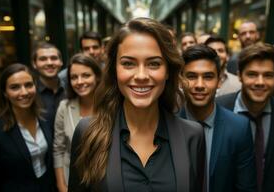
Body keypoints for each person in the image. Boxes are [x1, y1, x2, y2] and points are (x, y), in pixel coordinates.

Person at [68, 17, 205, 192]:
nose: (141, 75)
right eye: (128, 63)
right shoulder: (88, 132)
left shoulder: (193, 136)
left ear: (168, 71)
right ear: (114, 70)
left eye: (154, 63)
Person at [216, 43, 274, 192]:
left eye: (268, 75)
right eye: (252, 74)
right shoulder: (218, 109)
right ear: (239, 75)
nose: (260, 82)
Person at [179, 45, 256, 192]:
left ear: (219, 81)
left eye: (208, 77)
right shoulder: (168, 124)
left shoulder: (239, 128)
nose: (199, 85)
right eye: (192, 76)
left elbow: (246, 187)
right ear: (181, 80)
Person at [0, 64, 56, 192]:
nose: (24, 92)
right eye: (15, 87)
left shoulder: (46, 117)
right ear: (5, 93)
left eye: (28, 85)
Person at [53, 53, 102, 192]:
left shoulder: (109, 106)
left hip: (105, 180)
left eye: (86, 75)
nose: (79, 81)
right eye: (74, 77)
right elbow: (58, 149)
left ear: (97, 76)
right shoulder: (64, 107)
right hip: (72, 182)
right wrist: (61, 185)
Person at [31, 42, 66, 130]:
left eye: (54, 58)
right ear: (34, 64)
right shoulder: (30, 94)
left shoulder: (71, 89)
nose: (49, 63)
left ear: (61, 62)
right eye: (43, 59)